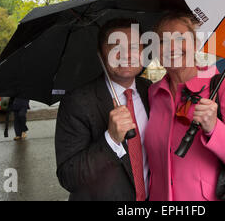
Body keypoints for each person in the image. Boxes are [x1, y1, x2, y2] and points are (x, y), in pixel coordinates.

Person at [144, 12, 225, 201]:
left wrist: (215, 128)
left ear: (196, 44)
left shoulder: (224, 88)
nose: (172, 47)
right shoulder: (153, 94)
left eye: (181, 38)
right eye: (162, 41)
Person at [55, 19, 152, 201]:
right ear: (101, 55)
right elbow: (68, 177)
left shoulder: (151, 91)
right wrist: (111, 140)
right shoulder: (76, 102)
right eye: (115, 47)